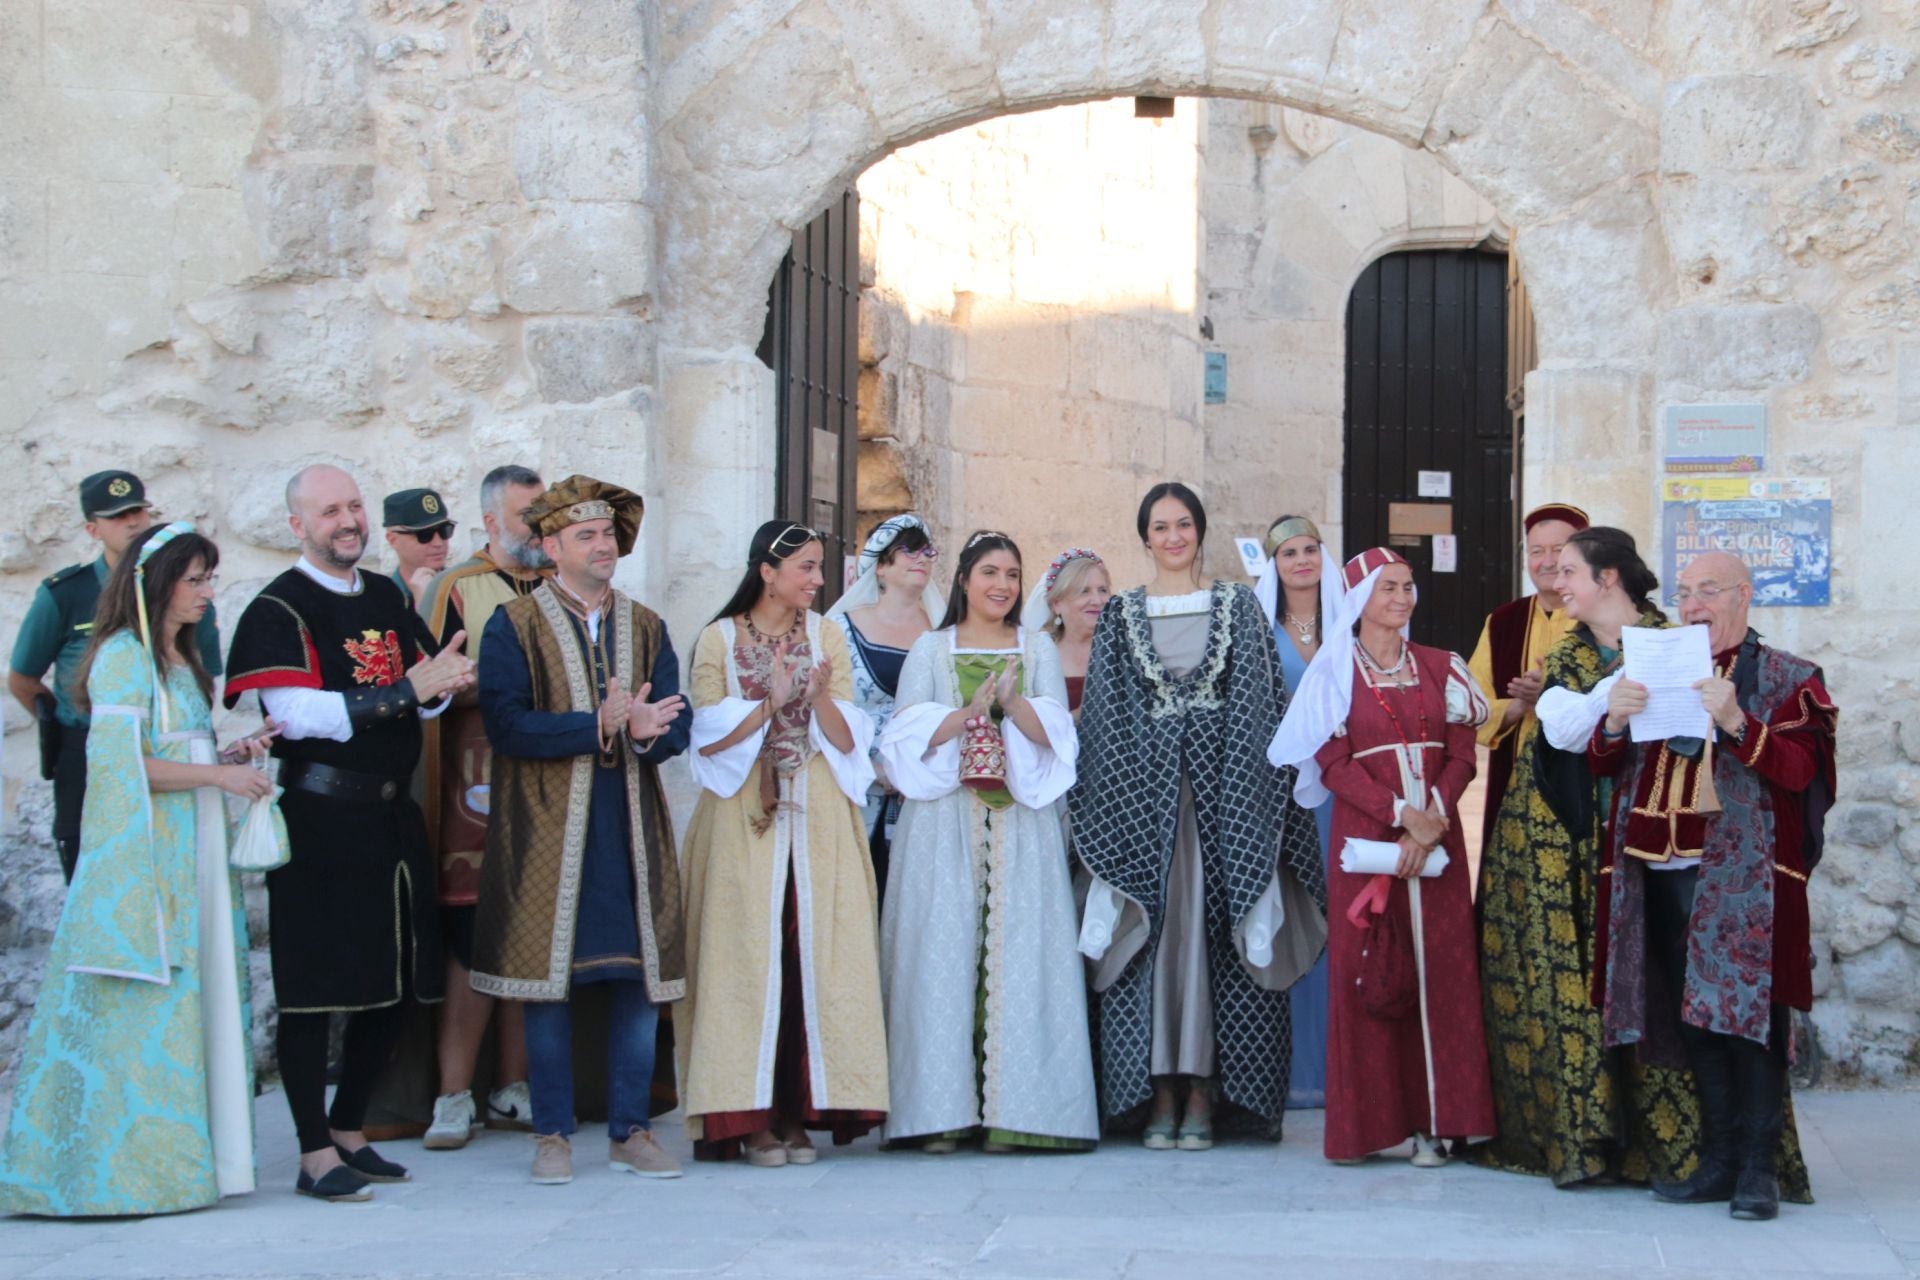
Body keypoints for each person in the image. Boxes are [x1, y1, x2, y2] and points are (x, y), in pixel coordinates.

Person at [0, 523, 272, 1216]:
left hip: (192, 846)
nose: (210, 593)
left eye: (211, 579)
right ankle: (124, 1172)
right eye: (197, 580)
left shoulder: (178, 660)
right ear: (158, 584)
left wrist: (230, 758)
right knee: (144, 1013)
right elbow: (121, 767)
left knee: (193, 998)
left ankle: (188, 1164)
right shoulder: (122, 656)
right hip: (154, 860)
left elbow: (177, 745)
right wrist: (215, 775)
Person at [222, 464, 475, 1203]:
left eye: (355, 506)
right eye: (330, 510)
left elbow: (423, 691)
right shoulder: (279, 607)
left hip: (393, 816)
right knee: (314, 991)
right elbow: (296, 715)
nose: (348, 520)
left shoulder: (386, 599)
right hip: (321, 817)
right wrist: (409, 692)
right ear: (298, 525)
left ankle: (349, 1127)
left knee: (393, 982)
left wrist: (439, 688)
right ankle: (310, 1152)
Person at [1073, 483, 1326, 1150]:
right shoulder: (1121, 613)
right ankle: (1157, 1089)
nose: (1174, 536)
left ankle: (1208, 1092)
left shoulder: (1238, 607)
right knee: (1154, 938)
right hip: (1142, 810)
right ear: (1145, 536)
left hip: (1224, 806)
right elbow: (1104, 718)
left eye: (1184, 524)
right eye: (1161, 526)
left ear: (1200, 531)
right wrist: (1129, 792)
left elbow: (1259, 702)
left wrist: (1240, 793)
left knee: (1215, 936)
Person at [1586, 550, 1833, 1221]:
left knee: (1747, 1025)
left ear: (1744, 596)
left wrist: (1737, 724)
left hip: (1740, 877)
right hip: (1657, 870)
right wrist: (1612, 718)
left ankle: (1758, 1171)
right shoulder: (1650, 665)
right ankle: (1719, 1162)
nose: (1693, 605)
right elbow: (1605, 762)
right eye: (1686, 592)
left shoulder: (1787, 677)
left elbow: (1801, 773)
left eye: (1709, 591)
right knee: (1695, 1020)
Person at [469, 476, 692, 1186]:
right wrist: (597, 723)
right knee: (550, 983)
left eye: (608, 535)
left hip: (628, 821)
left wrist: (657, 732)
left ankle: (630, 1131)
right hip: (547, 827)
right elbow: (506, 725)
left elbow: (672, 719)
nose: (603, 546)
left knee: (635, 979)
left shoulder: (648, 625)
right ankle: (553, 1135)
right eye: (585, 536)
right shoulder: (515, 623)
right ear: (551, 546)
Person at [877, 531, 1097, 1153]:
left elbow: (1057, 734)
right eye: (989, 572)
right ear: (965, 580)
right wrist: (968, 712)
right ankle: (937, 1113)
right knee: (942, 952)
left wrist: (1012, 703)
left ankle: (1020, 1112)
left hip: (1020, 825)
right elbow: (902, 739)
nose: (1001, 585)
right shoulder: (929, 648)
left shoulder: (1036, 651)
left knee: (1019, 953)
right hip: (943, 825)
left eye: (1011, 574)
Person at [677, 520, 889, 1167]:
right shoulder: (716, 639)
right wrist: (768, 703)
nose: (819, 581)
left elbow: (851, 738)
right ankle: (747, 1115)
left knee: (809, 957)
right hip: (743, 819)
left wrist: (819, 697)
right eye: (806, 568)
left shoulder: (828, 636)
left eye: (820, 568)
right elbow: (707, 738)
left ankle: (798, 1112)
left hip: (818, 814)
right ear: (766, 571)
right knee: (743, 962)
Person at [1274, 547, 1494, 1166]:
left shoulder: (1441, 666)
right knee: (1371, 976)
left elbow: (1461, 754)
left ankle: (1440, 1123)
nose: (1401, 598)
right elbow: (1333, 763)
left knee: (1441, 976)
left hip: (1437, 846)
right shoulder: (1333, 673)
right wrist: (1402, 818)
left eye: (1407, 587)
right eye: (1388, 588)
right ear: (1358, 600)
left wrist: (1432, 821)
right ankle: (1371, 1126)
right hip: (1367, 845)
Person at [411, 464, 549, 1148]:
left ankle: (514, 1087)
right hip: (472, 788)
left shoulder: (560, 584)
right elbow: (426, 688)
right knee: (471, 941)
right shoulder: (455, 587)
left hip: (545, 789)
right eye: (528, 516)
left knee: (531, 939)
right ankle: (452, 1095)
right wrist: (498, 687)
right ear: (492, 522)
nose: (541, 528)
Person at [7, 470, 223, 882]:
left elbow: (202, 675)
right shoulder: (65, 594)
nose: (133, 523)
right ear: (93, 528)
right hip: (88, 748)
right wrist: (72, 723)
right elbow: (23, 678)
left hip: (169, 756)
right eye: (118, 516)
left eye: (139, 511)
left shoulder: (189, 594)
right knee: (96, 877)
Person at [1253, 515, 1340, 1110]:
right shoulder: (1260, 630)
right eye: (1289, 552)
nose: (1302, 561)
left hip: (1342, 789)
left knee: (1342, 911)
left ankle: (1340, 1065)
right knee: (1291, 912)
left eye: (1310, 549)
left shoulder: (1348, 624)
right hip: (1279, 791)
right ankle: (1290, 1067)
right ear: (1274, 564)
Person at [824, 513, 943, 903]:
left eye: (926, 550)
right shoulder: (838, 629)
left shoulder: (943, 633)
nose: (921, 558)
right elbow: (823, 712)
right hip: (854, 790)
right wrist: (874, 770)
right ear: (879, 567)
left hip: (922, 793)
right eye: (907, 550)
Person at [1465, 503, 1588, 851]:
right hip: (1516, 786)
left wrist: (1551, 696)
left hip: (1584, 787)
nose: (1547, 561)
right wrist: (1517, 706)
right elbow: (1469, 705)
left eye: (1559, 550)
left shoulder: (1601, 618)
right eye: (1537, 551)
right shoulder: (1504, 621)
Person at [1021, 548, 1110, 717]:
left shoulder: (1120, 650)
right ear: (1057, 604)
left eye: (1103, 590)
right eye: (1084, 591)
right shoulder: (1037, 657)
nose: (1098, 600)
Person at [383, 487, 457, 606]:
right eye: (424, 534)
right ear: (393, 540)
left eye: (444, 530)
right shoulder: (381, 600)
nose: (438, 543)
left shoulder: (463, 589)